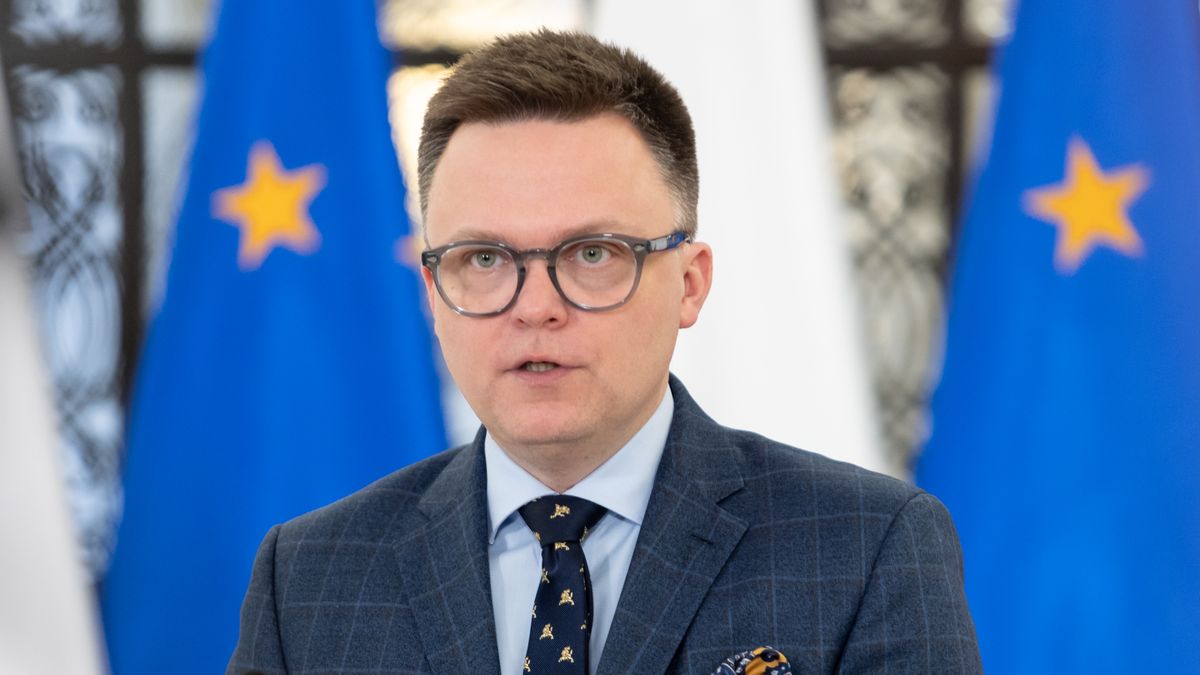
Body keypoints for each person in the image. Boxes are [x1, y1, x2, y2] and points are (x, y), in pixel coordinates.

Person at [228, 30, 981, 674]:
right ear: (432, 293)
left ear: (689, 283)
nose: (535, 306)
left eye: (591, 253)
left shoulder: (868, 548)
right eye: (484, 259)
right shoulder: (308, 578)